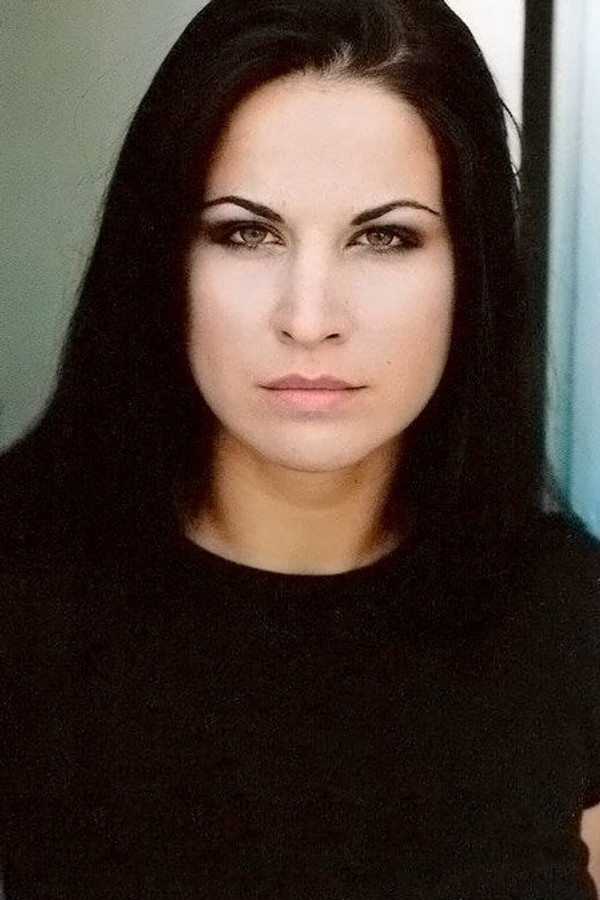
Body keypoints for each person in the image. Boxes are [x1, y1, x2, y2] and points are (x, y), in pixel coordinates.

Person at [2, 0, 600, 896]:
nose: (309, 318)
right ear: (161, 259)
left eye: (384, 237)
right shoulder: (23, 593)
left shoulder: (569, 620)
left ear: (470, 268)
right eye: (246, 232)